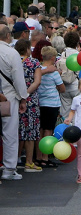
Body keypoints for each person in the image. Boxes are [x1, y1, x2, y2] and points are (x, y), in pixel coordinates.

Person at [0, 25, 30, 180]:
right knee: (10, 133)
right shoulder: (11, 53)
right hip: (8, 96)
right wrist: (23, 97)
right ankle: (9, 169)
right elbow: (18, 79)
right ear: (7, 36)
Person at [16, 39, 42, 173]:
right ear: (27, 49)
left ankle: (13, 160)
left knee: (15, 131)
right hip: (30, 100)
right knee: (30, 131)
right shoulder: (33, 62)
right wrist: (25, 94)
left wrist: (19, 95)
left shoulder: (13, 62)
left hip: (14, 98)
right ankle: (29, 162)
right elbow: (37, 82)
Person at [36, 45, 65, 166]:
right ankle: (45, 157)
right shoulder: (54, 72)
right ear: (53, 58)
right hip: (52, 103)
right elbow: (62, 88)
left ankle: (38, 156)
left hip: (40, 102)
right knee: (48, 130)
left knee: (40, 129)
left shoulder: (38, 70)